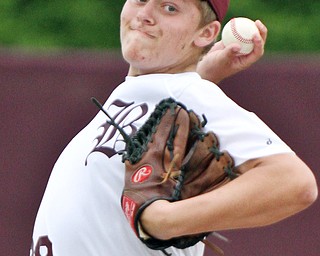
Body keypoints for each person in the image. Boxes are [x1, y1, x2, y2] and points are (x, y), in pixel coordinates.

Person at [30, 0, 317, 256]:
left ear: (206, 33)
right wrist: (204, 73)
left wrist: (163, 221)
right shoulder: (156, 93)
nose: (145, 14)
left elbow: (293, 182)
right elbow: (170, 96)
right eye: (141, 0)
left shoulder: (190, 95)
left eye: (169, 8)